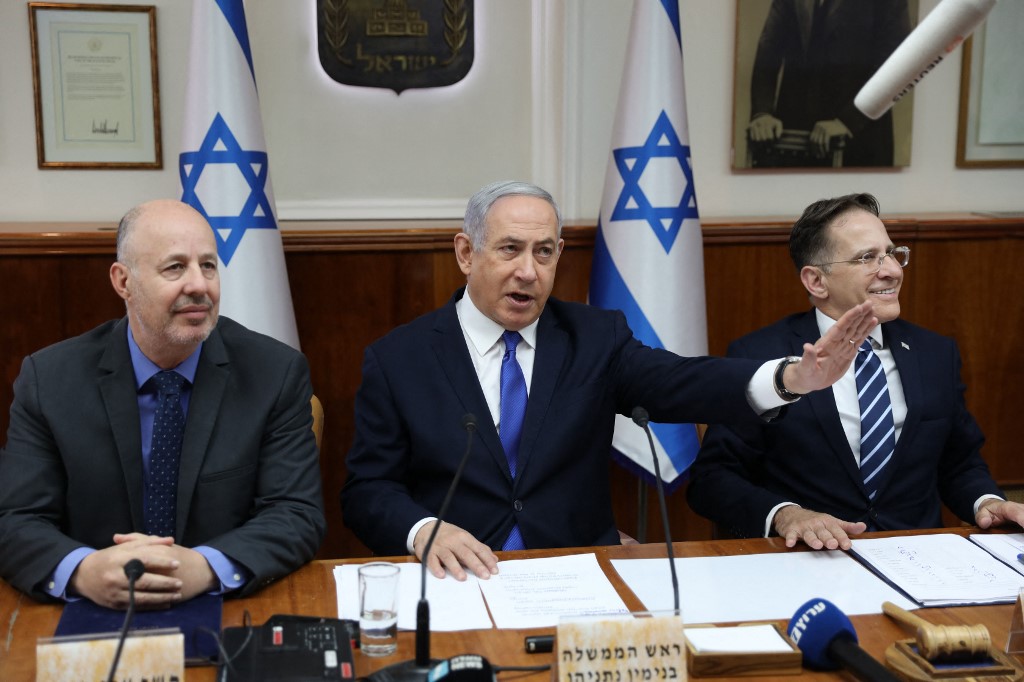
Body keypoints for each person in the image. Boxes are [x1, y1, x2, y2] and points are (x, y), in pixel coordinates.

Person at [342, 180, 876, 581]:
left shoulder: (594, 337)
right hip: (457, 578)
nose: (528, 271)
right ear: (466, 253)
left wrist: (792, 377)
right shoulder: (400, 359)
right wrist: (422, 530)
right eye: (509, 249)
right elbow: (368, 489)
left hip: (577, 574)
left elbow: (680, 381)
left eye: (544, 252)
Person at [0, 199, 325, 609]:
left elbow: (295, 513)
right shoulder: (50, 380)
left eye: (208, 265)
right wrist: (83, 571)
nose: (199, 285)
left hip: (226, 603)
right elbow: (15, 520)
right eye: (175, 267)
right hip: (93, 609)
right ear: (123, 281)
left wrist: (205, 567)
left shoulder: (273, 373)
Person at [687, 193, 1024, 549]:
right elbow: (713, 480)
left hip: (917, 555)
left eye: (891, 253)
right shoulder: (760, 357)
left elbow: (959, 464)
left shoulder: (934, 353)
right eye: (867, 258)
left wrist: (988, 503)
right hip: (811, 557)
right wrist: (787, 515)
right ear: (816, 281)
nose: (892, 270)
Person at [746, 0, 910, 167]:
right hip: (794, 141)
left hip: (859, 141)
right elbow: (768, 51)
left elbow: (898, 63)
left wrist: (846, 122)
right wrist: (763, 113)